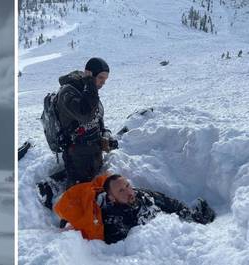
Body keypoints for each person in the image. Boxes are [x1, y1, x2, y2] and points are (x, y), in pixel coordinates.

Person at [37, 58, 118, 209]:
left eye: (105, 79)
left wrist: (106, 135)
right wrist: (89, 83)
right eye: (100, 77)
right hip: (77, 153)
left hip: (94, 151)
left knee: (92, 180)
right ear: (89, 73)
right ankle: (65, 221)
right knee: (78, 199)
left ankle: (54, 182)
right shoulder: (68, 93)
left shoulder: (90, 93)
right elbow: (85, 114)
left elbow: (98, 121)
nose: (103, 83)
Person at [54, 174, 215, 244]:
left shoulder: (139, 194)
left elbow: (167, 202)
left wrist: (192, 216)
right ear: (112, 198)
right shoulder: (113, 221)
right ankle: (51, 191)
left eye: (127, 185)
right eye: (121, 191)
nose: (129, 192)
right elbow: (126, 244)